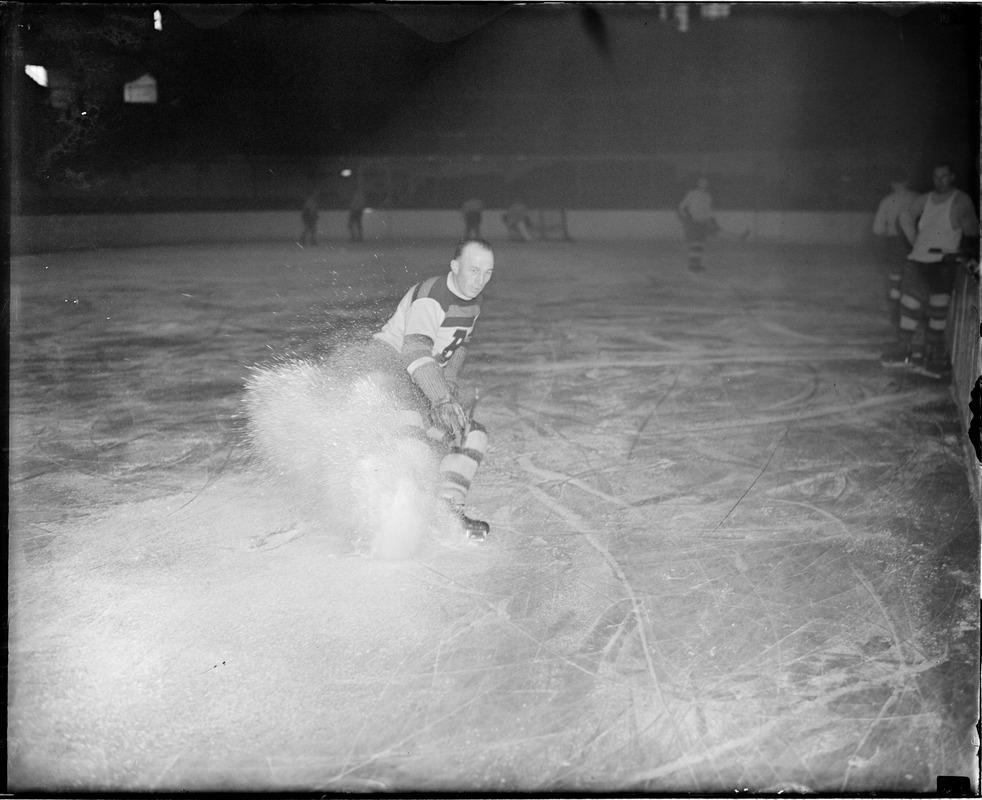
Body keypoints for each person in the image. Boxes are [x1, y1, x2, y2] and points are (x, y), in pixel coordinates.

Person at [360, 238, 496, 540]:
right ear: (455, 266)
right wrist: (440, 399)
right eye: (474, 270)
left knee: (471, 434)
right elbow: (414, 350)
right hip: (390, 365)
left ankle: (446, 510)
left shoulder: (475, 300)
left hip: (423, 375)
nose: (481, 280)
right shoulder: (432, 297)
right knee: (413, 436)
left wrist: (447, 388)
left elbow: (459, 346)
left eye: (488, 272)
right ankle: (390, 515)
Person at [881, 163, 979, 379]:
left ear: (952, 176)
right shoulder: (924, 199)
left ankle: (933, 354)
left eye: (944, 176)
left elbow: (972, 230)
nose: (939, 180)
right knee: (909, 304)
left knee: (937, 311)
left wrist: (961, 251)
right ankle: (905, 349)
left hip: (942, 262)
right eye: (936, 176)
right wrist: (915, 243)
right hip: (918, 259)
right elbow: (904, 218)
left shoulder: (961, 200)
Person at [871, 177, 919, 328]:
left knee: (895, 278)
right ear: (907, 182)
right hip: (914, 242)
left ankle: (895, 314)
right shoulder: (916, 198)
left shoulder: (887, 200)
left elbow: (877, 228)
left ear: (893, 183)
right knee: (912, 279)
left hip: (895, 243)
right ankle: (910, 315)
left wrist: (887, 231)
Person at [677, 177, 718, 272]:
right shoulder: (692, 194)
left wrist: (714, 223)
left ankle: (697, 265)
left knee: (700, 245)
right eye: (702, 183)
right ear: (698, 184)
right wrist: (688, 216)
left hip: (703, 223)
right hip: (693, 222)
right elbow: (682, 206)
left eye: (705, 184)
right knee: (694, 244)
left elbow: (710, 212)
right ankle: (692, 266)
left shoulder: (708, 196)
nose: (704, 185)